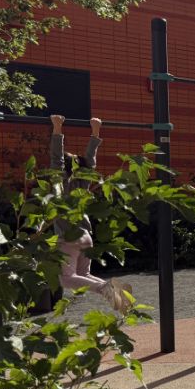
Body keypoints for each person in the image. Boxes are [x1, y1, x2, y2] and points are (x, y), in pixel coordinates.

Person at [50, 114, 132, 315]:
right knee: (83, 274)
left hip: (69, 236)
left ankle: (106, 288)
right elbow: (90, 162)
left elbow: (56, 159)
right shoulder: (84, 182)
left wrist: (57, 127)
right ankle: (115, 291)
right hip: (86, 236)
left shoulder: (61, 185)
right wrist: (96, 131)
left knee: (65, 278)